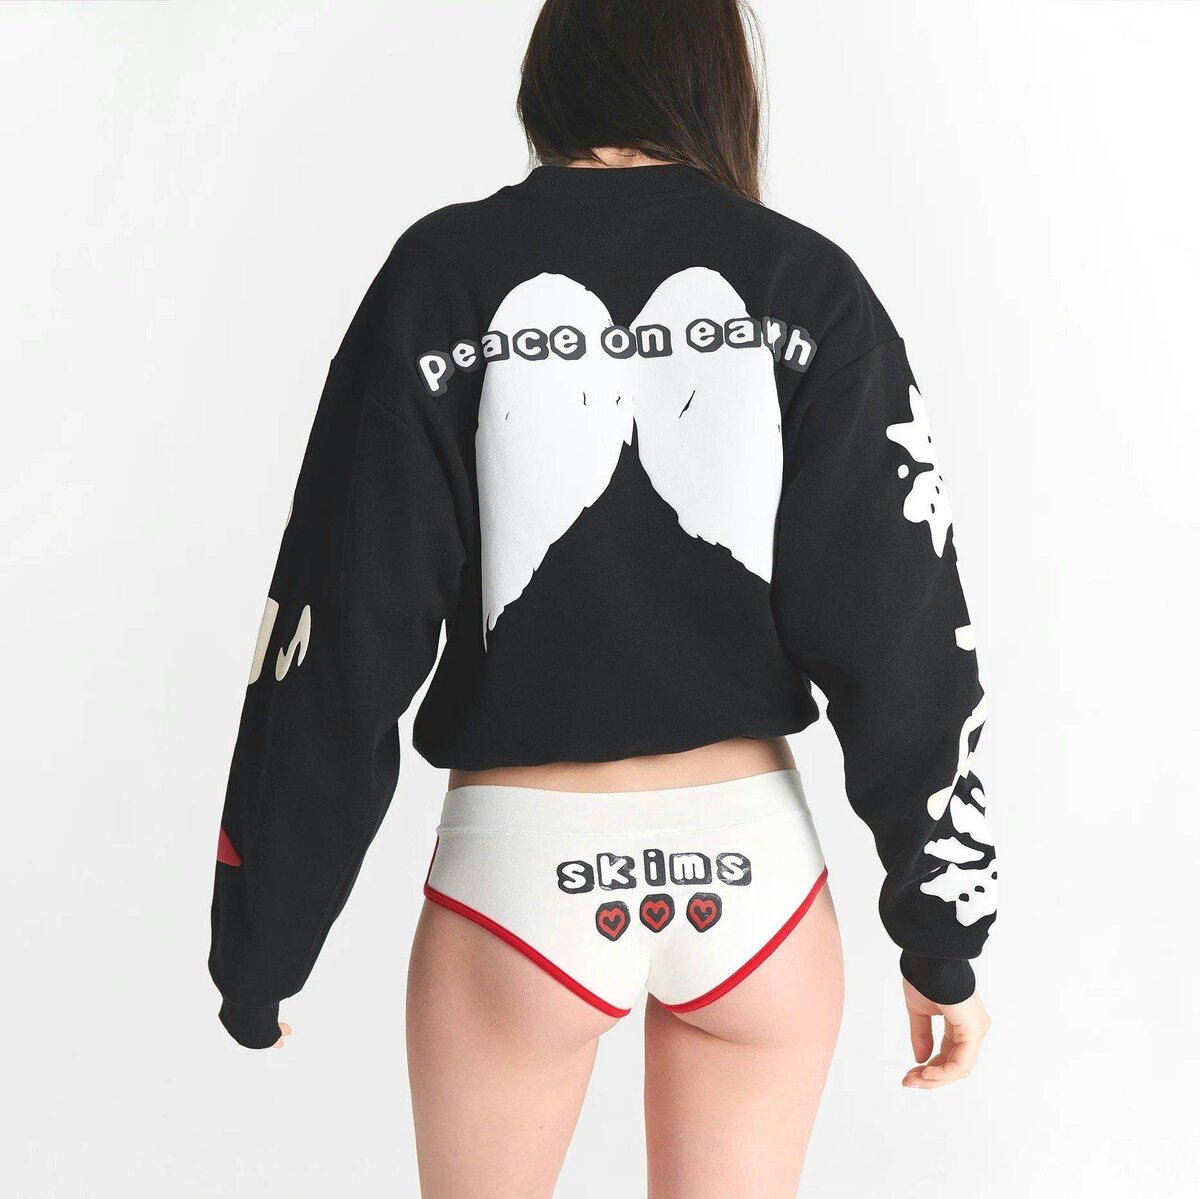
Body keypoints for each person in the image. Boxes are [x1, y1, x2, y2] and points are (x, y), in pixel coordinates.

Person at [209, 1, 995, 1193]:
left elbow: (342, 631)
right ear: (717, 79)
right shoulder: (808, 284)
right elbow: (905, 634)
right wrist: (943, 940)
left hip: (521, 880)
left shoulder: (441, 276)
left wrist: (261, 948)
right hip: (755, 880)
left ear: (556, 70)